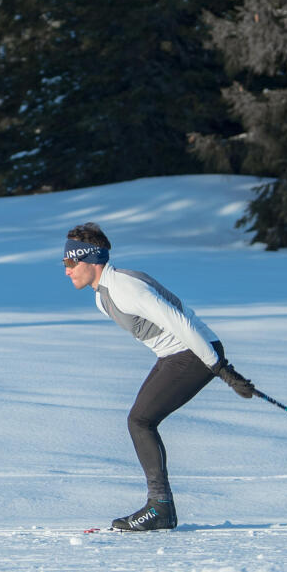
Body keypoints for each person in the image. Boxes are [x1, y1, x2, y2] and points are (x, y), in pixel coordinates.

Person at [63, 222, 256, 531]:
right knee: (139, 420)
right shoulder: (102, 297)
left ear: (91, 259)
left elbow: (178, 322)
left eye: (71, 262)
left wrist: (218, 366)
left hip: (195, 351)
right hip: (177, 355)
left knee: (140, 421)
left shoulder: (125, 288)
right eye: (65, 263)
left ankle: (160, 507)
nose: (67, 270)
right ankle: (160, 506)